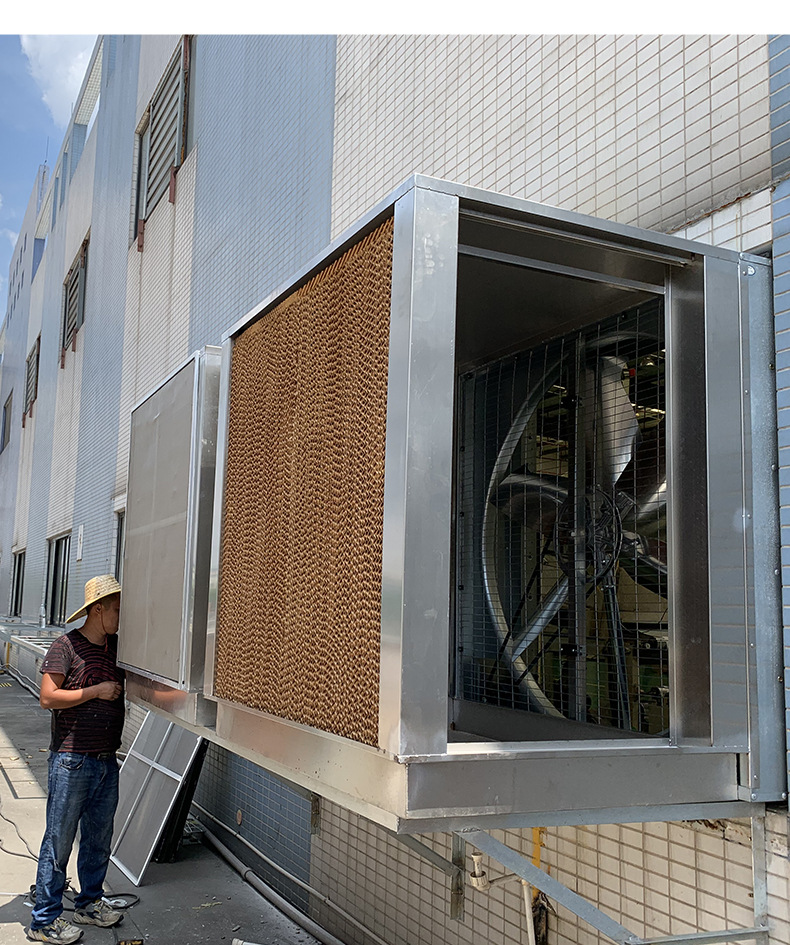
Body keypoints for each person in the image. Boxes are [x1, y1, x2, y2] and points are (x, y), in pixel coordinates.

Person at [26, 575, 126, 945]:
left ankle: (89, 903)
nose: (121, 615)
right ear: (98, 610)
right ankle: (44, 920)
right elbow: (48, 697)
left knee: (98, 839)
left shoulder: (118, 647)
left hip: (105, 760)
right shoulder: (65, 646)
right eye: (116, 609)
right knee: (60, 840)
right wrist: (96, 690)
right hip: (71, 761)